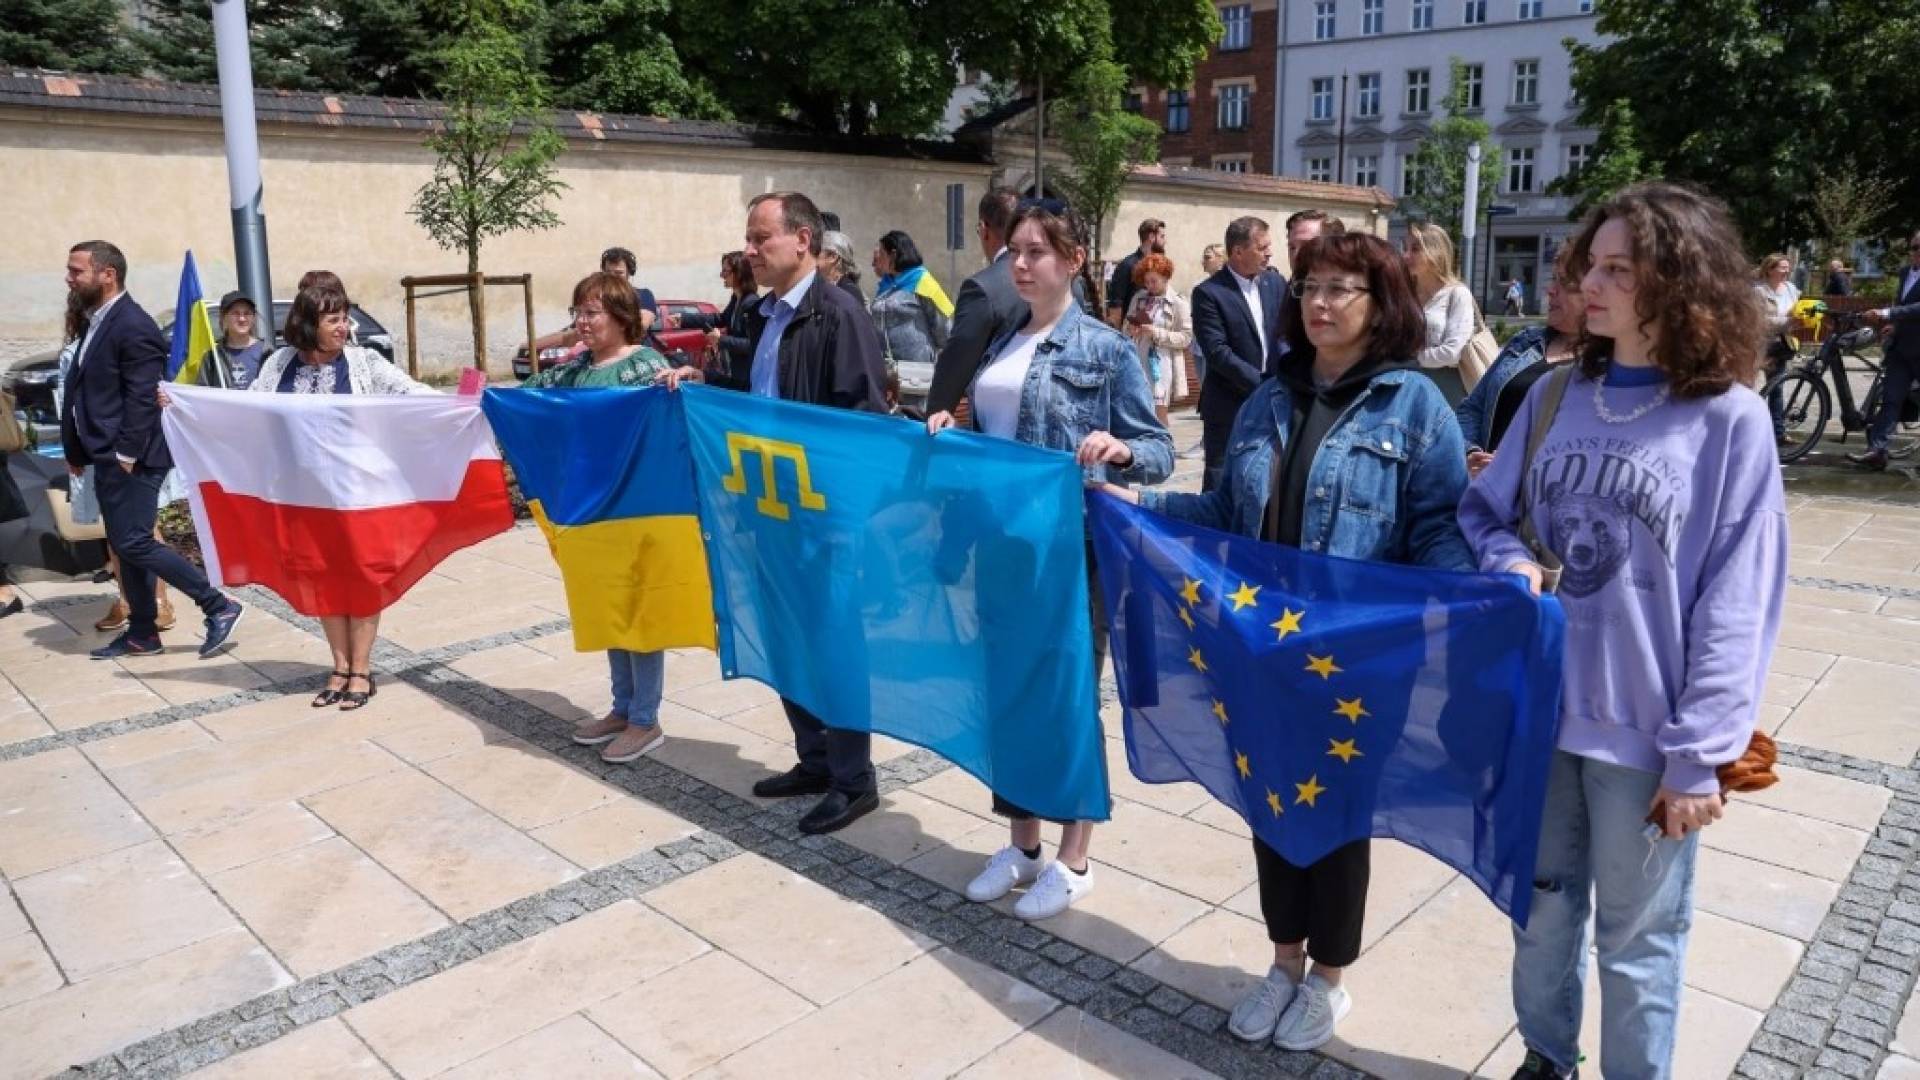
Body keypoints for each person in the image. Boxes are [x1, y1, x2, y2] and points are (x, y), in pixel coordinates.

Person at [1105, 231, 1472, 1052]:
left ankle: (1330, 981)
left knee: (1338, 819)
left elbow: (1439, 531)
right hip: (1263, 651)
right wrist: (1132, 503)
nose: (1319, 302)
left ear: (1382, 305)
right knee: (1272, 810)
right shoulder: (1273, 396)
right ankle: (1283, 962)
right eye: (1309, 286)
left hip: (1359, 659)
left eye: (1342, 288)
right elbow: (1227, 518)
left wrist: (1485, 589)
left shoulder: (1415, 407)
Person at [1458, 182, 1787, 1080]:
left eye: (1616, 269)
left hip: (1647, 736)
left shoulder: (1730, 419)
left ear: (1677, 285)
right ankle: (1545, 1058)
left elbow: (1738, 599)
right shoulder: (1556, 395)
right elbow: (1484, 513)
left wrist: (1701, 754)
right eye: (1588, 266)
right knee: (1541, 905)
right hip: (1539, 714)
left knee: (1639, 939)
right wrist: (1506, 563)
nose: (1586, 285)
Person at [926, 202, 1171, 920]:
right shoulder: (1004, 337)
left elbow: (1160, 452)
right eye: (1016, 251)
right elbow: (994, 428)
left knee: (1065, 696)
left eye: (1037, 251)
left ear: (1074, 261)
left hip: (1071, 551)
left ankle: (1075, 856)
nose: (1021, 263)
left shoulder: (1105, 349)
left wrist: (1121, 450)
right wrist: (953, 423)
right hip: (1000, 545)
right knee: (1009, 695)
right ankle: (1023, 844)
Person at [658, 191, 889, 834]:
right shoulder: (757, 315)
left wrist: (843, 519)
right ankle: (813, 759)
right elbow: (746, 396)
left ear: (802, 242)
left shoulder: (839, 316)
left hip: (823, 521)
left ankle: (853, 777)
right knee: (786, 636)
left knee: (833, 645)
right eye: (749, 239)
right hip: (764, 510)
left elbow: (864, 422)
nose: (749, 251)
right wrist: (699, 386)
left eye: (761, 239)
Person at [245, 280, 435, 708]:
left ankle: (363, 670)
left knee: (362, 577)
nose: (344, 327)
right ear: (308, 324)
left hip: (358, 495)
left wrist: (462, 403)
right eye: (334, 319)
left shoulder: (364, 362)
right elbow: (248, 410)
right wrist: (186, 404)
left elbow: (412, 394)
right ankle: (339, 666)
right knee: (323, 577)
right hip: (303, 496)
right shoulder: (278, 363)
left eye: (345, 318)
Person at [60, 241, 243, 661]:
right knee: (125, 546)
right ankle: (142, 633)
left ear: (108, 274)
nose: (69, 278)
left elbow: (143, 396)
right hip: (105, 454)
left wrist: (125, 454)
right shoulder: (97, 320)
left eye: (77, 271)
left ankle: (218, 605)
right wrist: (75, 447)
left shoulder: (133, 324)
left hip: (134, 455)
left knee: (134, 540)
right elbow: (82, 390)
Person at [524, 274, 678, 762]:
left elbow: (673, 421)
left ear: (620, 315)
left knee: (640, 615)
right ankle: (621, 706)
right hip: (592, 513)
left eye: (592, 313)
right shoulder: (574, 372)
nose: (582, 323)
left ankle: (645, 718)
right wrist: (480, 394)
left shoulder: (646, 368)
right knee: (611, 608)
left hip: (637, 510)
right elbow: (528, 397)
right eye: (578, 313)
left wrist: (682, 384)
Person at [1456, 245, 1587, 473]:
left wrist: (1517, 463)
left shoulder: (1604, 366)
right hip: (1485, 492)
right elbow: (1472, 408)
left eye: (1565, 283)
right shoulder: (1526, 340)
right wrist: (1470, 452)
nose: (1550, 290)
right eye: (1553, 279)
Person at [1191, 216, 1284, 492]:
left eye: (1269, 246)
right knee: (1221, 479)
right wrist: (1263, 384)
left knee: (1266, 475)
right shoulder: (1209, 293)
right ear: (1238, 251)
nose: (1269, 252)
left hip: (1273, 400)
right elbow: (1218, 353)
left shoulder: (1275, 284)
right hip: (1228, 405)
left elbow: (1284, 336)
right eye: (1262, 246)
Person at [926, 187, 1028, 416]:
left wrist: (935, 416)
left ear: (983, 230)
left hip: (993, 420)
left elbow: (957, 364)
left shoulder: (983, 288)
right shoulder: (1070, 285)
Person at [1851, 229, 1920, 470]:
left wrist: (1886, 314)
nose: (1918, 252)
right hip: (1901, 349)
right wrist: (1893, 325)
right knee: (1891, 399)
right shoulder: (1904, 273)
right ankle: (1877, 451)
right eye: (1915, 247)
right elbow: (1903, 306)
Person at [529, 248, 660, 357]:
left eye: (618, 273)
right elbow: (571, 334)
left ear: (629, 273)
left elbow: (640, 326)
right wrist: (530, 345)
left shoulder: (642, 296)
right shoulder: (594, 300)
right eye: (608, 273)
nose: (612, 278)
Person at [1404, 222, 1475, 403]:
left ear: (1435, 252)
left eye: (1415, 249)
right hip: (1407, 389)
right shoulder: (1405, 293)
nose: (1406, 255)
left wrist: (1411, 358)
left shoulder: (1457, 294)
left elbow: (1452, 352)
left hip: (1446, 394)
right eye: (1406, 248)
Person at [870, 230, 953, 382]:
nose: (877, 259)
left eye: (881, 253)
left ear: (893, 255)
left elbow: (943, 328)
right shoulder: (886, 285)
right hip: (888, 370)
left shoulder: (923, 281)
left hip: (916, 372)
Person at [669, 251, 757, 390]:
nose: (722, 275)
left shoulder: (751, 303)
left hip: (747, 375)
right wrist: (684, 319)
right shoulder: (737, 299)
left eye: (725, 271)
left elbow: (752, 345)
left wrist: (721, 340)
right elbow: (719, 319)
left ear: (739, 273)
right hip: (737, 372)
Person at [1273, 211, 1346, 378]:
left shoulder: (1350, 293)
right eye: (1292, 247)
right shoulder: (1290, 288)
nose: (1296, 254)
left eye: (1306, 245)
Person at [1122, 253, 1192, 421]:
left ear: (1165, 277)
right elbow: (1125, 328)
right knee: (1139, 411)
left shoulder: (1178, 302)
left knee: (1159, 414)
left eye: (1154, 281)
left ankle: (1164, 446)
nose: (1149, 286)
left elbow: (1186, 337)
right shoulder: (1139, 298)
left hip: (1162, 363)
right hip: (1138, 359)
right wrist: (1131, 329)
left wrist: (1156, 332)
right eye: (1146, 282)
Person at [1755, 252, 1801, 445]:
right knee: (1756, 389)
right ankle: (1754, 431)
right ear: (1770, 269)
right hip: (1760, 345)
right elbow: (1760, 321)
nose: (1786, 270)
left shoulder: (1791, 289)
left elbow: (1799, 311)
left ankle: (1779, 432)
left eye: (1787, 267)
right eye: (1782, 267)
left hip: (1782, 345)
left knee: (1777, 389)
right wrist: (1788, 322)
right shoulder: (1758, 291)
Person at [1105, 218, 1166, 327]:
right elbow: (1116, 306)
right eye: (1162, 236)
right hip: (1132, 334)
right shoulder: (1127, 265)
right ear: (1151, 237)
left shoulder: (1160, 265)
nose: (1165, 241)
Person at [215, 291, 269, 389]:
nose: (242, 319)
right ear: (224, 317)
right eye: (235, 313)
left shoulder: (267, 352)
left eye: (247, 313)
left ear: (254, 318)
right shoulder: (213, 357)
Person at [819, 231, 867, 306]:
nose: (811, 256)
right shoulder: (827, 286)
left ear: (833, 257)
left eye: (816, 251)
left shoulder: (849, 292)